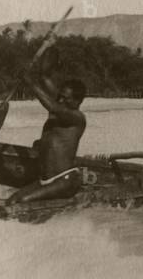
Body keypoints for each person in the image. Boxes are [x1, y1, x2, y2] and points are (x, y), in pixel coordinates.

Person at [6, 69, 87, 204]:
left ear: (77, 101)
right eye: (60, 97)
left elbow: (53, 107)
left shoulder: (77, 117)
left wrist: (30, 82)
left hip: (65, 180)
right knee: (12, 200)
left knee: (21, 201)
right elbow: (45, 80)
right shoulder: (58, 116)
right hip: (45, 181)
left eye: (66, 99)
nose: (61, 100)